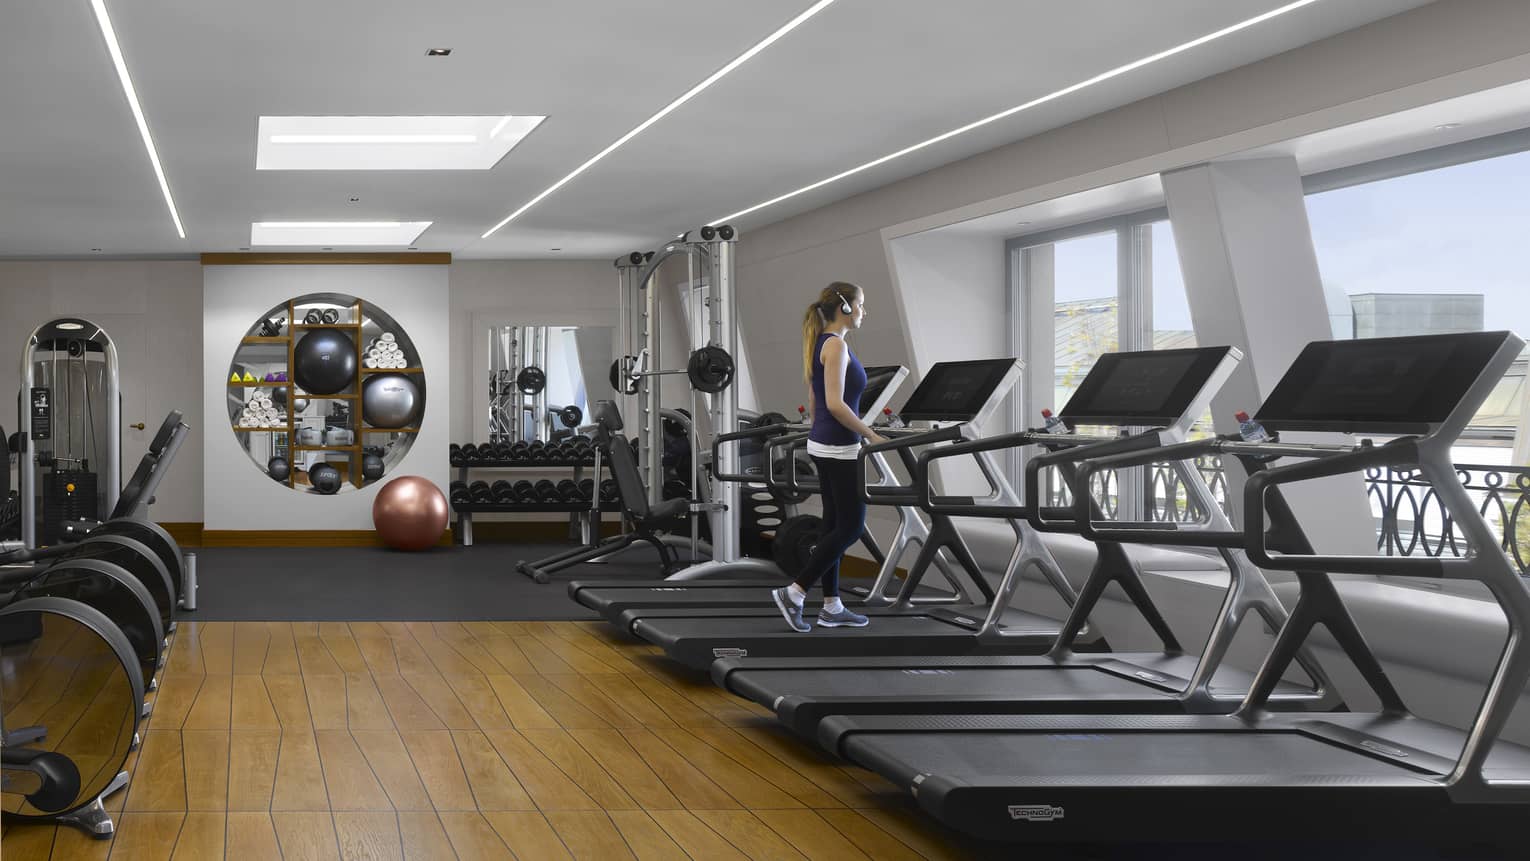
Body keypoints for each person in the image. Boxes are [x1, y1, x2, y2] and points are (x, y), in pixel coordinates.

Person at [771, 282, 888, 632]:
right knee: (850, 527)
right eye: (862, 304)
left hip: (825, 442)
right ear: (846, 308)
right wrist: (870, 433)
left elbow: (815, 395)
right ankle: (795, 592)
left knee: (834, 526)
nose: (866, 311)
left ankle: (832, 605)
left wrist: (827, 427)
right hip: (839, 447)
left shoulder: (822, 341)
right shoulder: (835, 345)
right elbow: (836, 404)